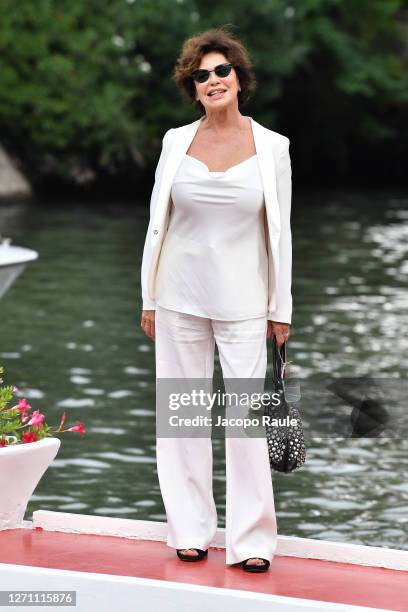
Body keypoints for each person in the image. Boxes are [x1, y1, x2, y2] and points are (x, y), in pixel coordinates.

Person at [140, 26, 292, 572]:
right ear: (193, 85)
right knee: (180, 419)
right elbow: (160, 221)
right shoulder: (175, 141)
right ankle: (190, 531)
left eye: (220, 70)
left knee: (246, 424)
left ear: (238, 78)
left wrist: (282, 309)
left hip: (247, 301)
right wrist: (148, 296)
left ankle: (251, 542)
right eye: (201, 75)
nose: (212, 80)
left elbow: (281, 234)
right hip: (178, 294)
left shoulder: (273, 147)